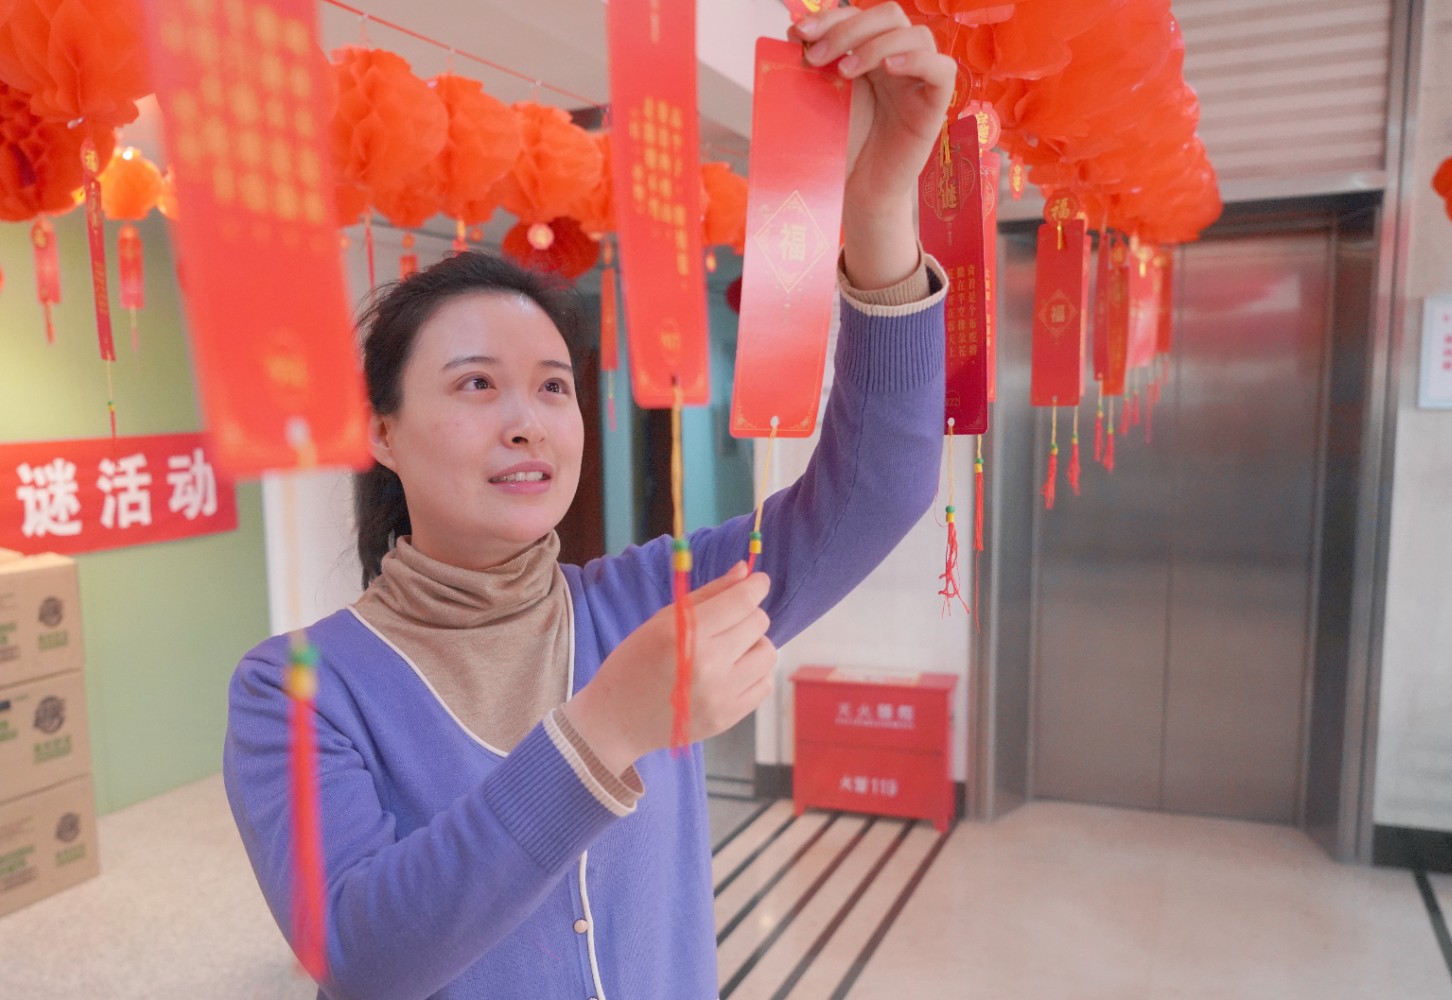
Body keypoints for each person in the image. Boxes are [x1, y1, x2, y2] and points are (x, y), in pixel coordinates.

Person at [224, 5, 957, 998]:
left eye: (553, 386)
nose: (528, 422)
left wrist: (877, 204)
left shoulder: (651, 599)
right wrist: (606, 729)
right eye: (476, 384)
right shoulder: (299, 690)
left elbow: (876, 490)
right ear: (381, 434)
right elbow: (362, 955)